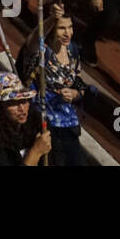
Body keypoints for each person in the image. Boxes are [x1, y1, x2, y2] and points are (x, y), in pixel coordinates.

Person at [17, 13, 89, 166]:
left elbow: (79, 85)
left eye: (70, 27)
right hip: (43, 122)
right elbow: (32, 41)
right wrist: (50, 19)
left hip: (68, 124)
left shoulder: (73, 50)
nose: (67, 32)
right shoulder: (40, 51)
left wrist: (75, 94)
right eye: (61, 28)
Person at [0, 70, 53, 166]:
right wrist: (36, 152)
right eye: (13, 103)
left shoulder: (36, 122)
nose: (22, 109)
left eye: (24, 100)